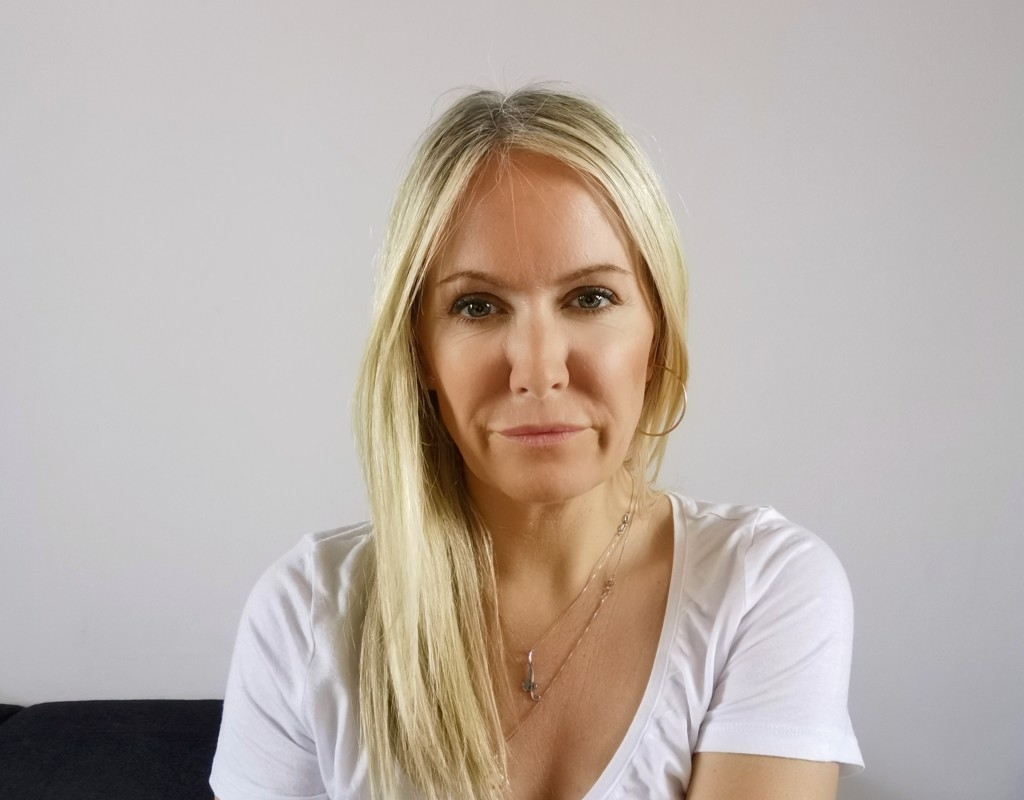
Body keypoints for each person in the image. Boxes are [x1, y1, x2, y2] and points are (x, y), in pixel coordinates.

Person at [210, 86, 863, 800]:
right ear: (420, 351)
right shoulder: (306, 615)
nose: (539, 370)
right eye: (477, 306)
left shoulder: (762, 587)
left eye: (590, 298)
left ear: (657, 334)